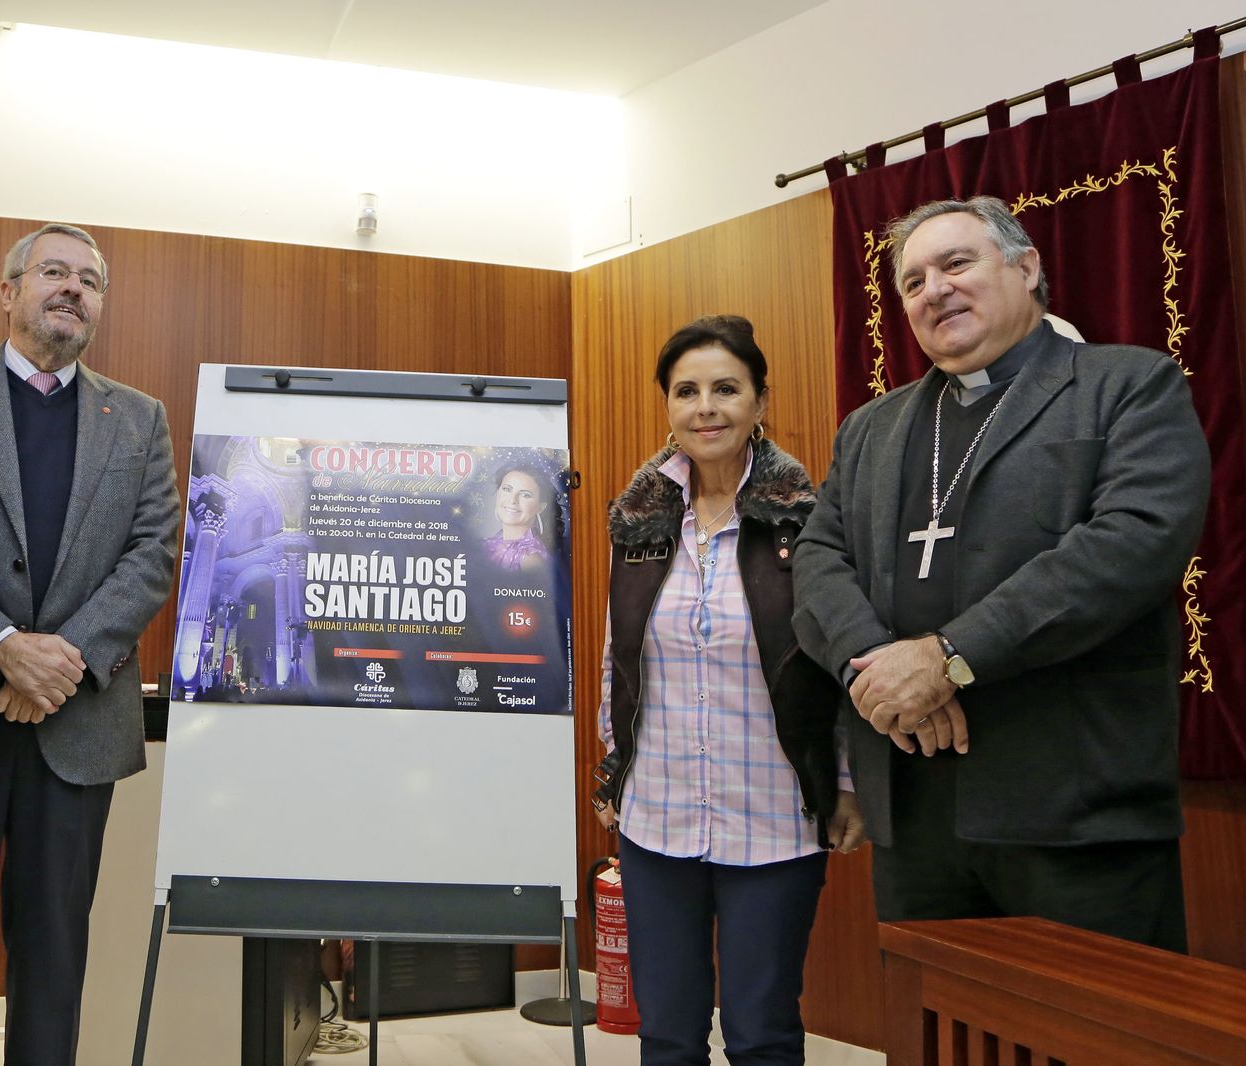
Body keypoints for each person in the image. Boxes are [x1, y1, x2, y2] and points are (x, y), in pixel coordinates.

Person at [792, 196, 1210, 952]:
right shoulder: (871, 429)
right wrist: (881, 674)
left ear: (1026, 267)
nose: (934, 290)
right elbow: (820, 560)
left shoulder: (1126, 385)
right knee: (941, 1039)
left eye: (956, 264)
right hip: (915, 815)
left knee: (1091, 1039)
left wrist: (949, 657)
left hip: (1071, 812)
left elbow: (1130, 544)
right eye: (913, 281)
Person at [0, 223, 181, 1065]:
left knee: (56, 956)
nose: (72, 289)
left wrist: (62, 660)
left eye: (89, 280)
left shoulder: (139, 418)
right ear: (8, 291)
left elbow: (154, 550)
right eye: (54, 271)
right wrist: (3, 645)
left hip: (78, 725)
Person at [592, 315, 864, 1066]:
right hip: (659, 819)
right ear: (669, 407)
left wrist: (843, 783)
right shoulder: (639, 522)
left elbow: (836, 665)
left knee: (761, 1032)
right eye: (687, 391)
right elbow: (620, 658)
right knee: (668, 1035)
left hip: (771, 817)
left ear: (758, 400)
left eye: (725, 389)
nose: (705, 407)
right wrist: (614, 768)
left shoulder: (806, 521)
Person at [484, 464, 552, 570]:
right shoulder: (490, 544)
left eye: (525, 495)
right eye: (507, 489)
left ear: (541, 507)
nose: (512, 500)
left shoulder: (529, 558)